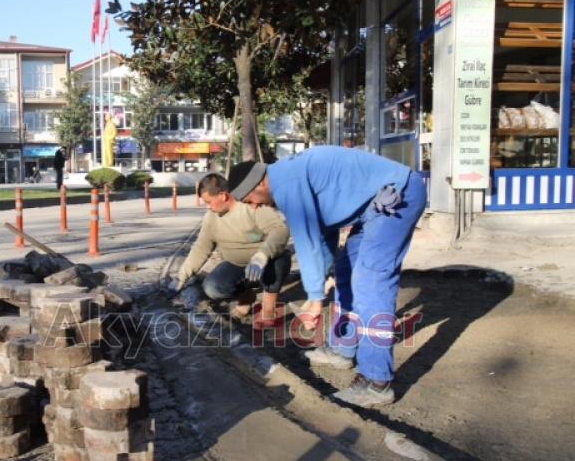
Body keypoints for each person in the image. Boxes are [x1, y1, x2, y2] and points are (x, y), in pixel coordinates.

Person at [228, 147, 426, 407]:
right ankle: (343, 348)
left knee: (370, 282)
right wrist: (325, 273)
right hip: (372, 206)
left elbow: (306, 242)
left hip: (397, 194)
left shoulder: (286, 184)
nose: (256, 205)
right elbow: (324, 234)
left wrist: (315, 298)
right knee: (346, 271)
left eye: (251, 199)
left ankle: (377, 382)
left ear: (261, 182)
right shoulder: (288, 178)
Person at [174, 173, 291, 328]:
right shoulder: (211, 217)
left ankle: (268, 309)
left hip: (266, 261)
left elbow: (280, 230)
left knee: (278, 262)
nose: (208, 206)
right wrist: (181, 277)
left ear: (223, 195)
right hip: (237, 264)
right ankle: (246, 297)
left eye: (209, 201)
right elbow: (201, 247)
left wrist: (262, 255)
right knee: (212, 288)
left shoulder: (251, 205)